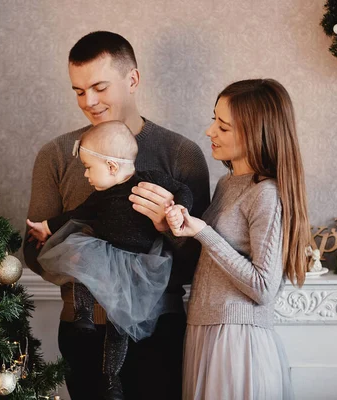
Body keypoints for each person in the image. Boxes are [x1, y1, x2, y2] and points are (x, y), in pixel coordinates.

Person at [23, 31, 210, 400]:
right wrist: (75, 258)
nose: (88, 101)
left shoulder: (181, 154)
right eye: (78, 91)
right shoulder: (57, 154)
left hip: (158, 328)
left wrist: (167, 229)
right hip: (83, 329)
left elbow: (203, 261)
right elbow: (32, 250)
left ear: (133, 80)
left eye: (99, 87)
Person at [164, 79, 310, 400]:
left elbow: (263, 288)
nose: (210, 132)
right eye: (214, 119)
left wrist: (203, 231)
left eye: (224, 127)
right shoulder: (227, 184)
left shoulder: (266, 194)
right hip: (206, 332)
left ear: (257, 133)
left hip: (237, 344)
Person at [27, 121, 193, 399]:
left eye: (89, 168)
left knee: (120, 326)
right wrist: (46, 226)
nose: (86, 175)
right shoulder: (99, 197)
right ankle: (84, 316)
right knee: (82, 261)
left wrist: (179, 209)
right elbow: (74, 216)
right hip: (104, 252)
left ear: (113, 167)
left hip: (137, 263)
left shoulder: (151, 178)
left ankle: (112, 378)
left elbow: (182, 189)